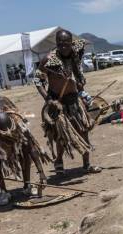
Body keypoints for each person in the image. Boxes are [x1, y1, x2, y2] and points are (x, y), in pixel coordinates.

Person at [34, 29, 101, 175]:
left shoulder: (74, 55)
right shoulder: (48, 60)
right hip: (57, 102)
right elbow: (37, 81)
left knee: (84, 131)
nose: (63, 46)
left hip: (74, 100)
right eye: (60, 43)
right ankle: (59, 162)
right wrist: (49, 99)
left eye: (66, 43)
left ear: (71, 43)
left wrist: (80, 85)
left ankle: (87, 164)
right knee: (61, 136)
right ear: (56, 43)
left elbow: (77, 75)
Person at [0, 96, 50, 206]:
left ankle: (27, 185)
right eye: (4, 135)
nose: (7, 137)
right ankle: (3, 191)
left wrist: (41, 173)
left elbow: (32, 147)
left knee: (24, 150)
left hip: (13, 127)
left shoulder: (17, 119)